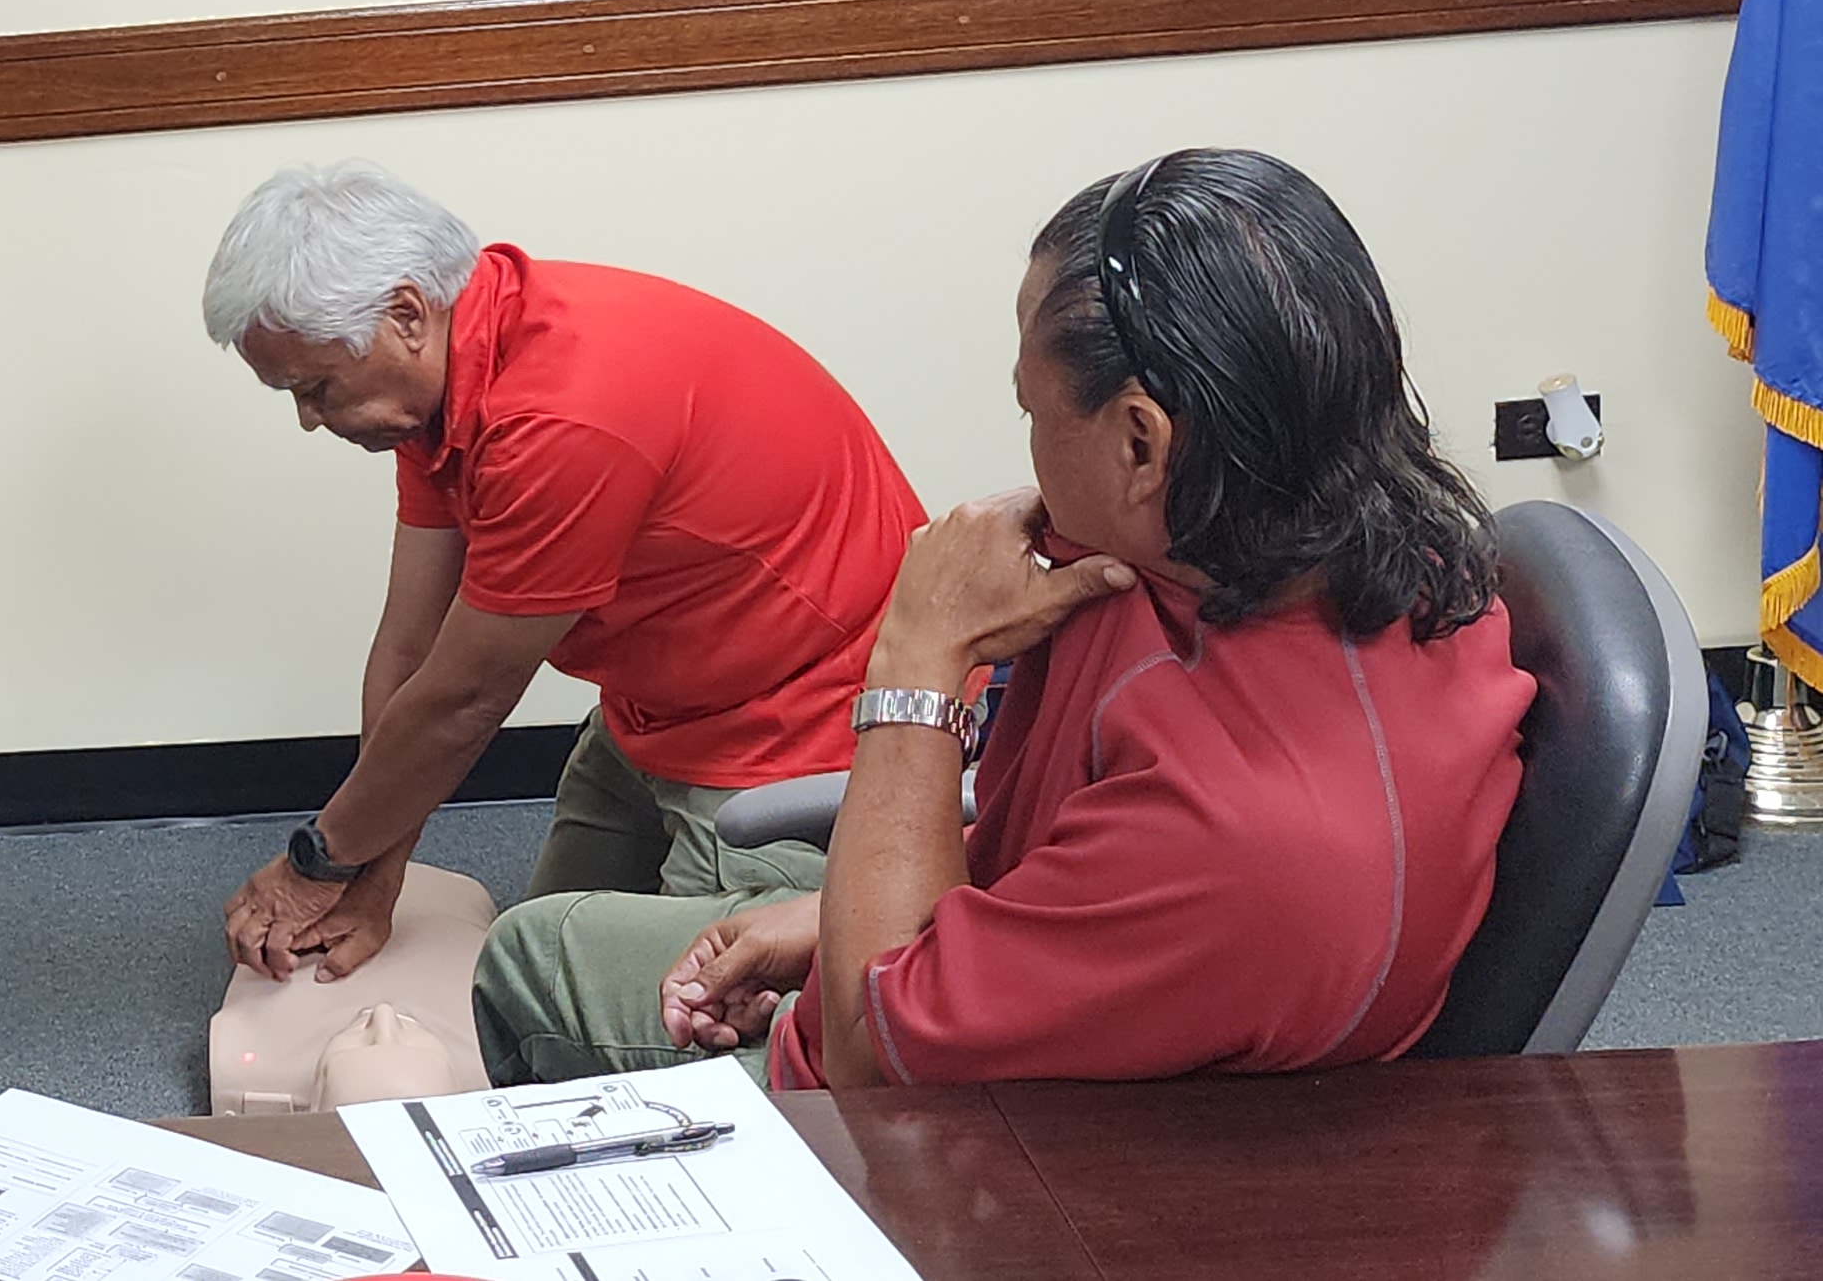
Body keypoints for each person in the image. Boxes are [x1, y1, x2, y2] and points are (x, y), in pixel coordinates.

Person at [480, 148, 1532, 1088]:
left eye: (1031, 408)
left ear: (1140, 444)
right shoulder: (1404, 566)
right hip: (1038, 981)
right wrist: (824, 913)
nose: (1024, 443)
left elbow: (865, 1048)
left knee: (529, 952)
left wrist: (916, 655)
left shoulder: (1237, 834)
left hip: (961, 1140)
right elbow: (1082, 857)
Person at [201, 163, 925, 985]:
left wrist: (318, 863)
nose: (309, 419)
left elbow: (467, 700)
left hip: (810, 725)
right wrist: (372, 872)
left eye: (316, 387)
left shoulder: (560, 414)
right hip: (657, 711)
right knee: (529, 978)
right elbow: (413, 652)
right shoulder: (445, 383)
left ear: (405, 314)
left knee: (651, 1017)